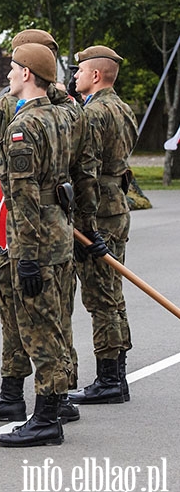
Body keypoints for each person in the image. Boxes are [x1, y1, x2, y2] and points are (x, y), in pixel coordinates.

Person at [0, 43, 74, 447]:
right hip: (59, 232)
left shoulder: (22, 127)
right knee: (57, 324)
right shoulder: (62, 117)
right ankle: (55, 406)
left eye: (12, 68)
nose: (8, 74)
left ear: (27, 73)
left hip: (36, 240)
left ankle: (45, 418)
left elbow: (23, 197)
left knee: (39, 329)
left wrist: (25, 257)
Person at [69, 46, 137, 405]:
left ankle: (109, 378)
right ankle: (117, 374)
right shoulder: (122, 108)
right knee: (113, 293)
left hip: (98, 213)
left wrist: (85, 223)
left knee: (101, 297)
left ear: (96, 75)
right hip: (117, 208)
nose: (75, 75)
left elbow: (87, 170)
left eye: (80, 70)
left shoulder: (93, 113)